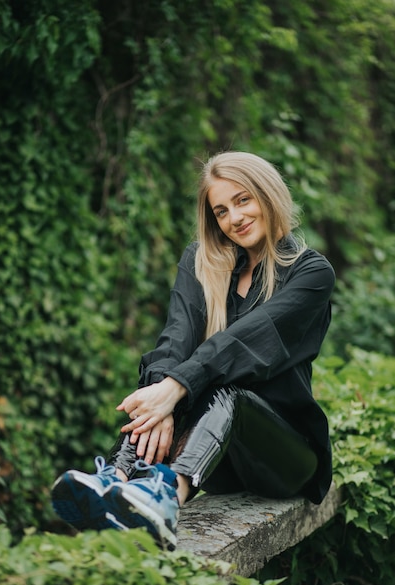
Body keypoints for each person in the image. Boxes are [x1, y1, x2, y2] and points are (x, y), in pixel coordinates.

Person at [51, 151, 335, 551]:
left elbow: (243, 342)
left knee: (219, 388)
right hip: (215, 458)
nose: (233, 219)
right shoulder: (202, 262)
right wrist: (164, 398)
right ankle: (118, 478)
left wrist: (176, 389)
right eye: (221, 211)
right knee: (170, 382)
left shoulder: (311, 273)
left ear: (268, 195)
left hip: (285, 459)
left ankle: (167, 494)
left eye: (242, 200)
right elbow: (174, 340)